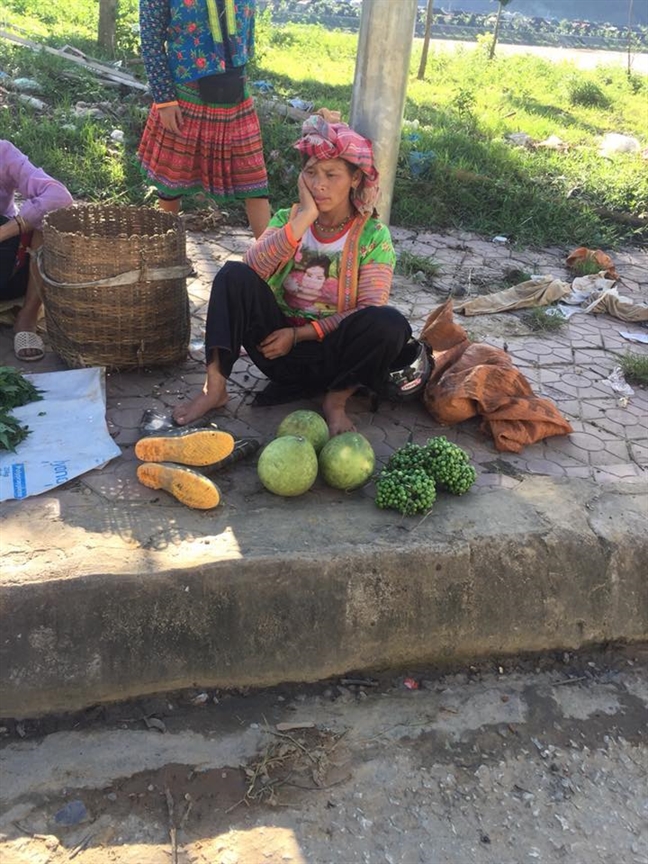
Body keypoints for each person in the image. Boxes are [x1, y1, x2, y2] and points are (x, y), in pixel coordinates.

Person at [173, 114, 412, 436]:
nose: (320, 184)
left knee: (389, 322)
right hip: (274, 347)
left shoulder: (373, 236)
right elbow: (252, 267)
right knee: (232, 276)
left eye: (332, 174)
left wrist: (299, 335)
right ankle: (214, 388)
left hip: (334, 356)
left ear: (355, 179)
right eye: (311, 173)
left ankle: (336, 400)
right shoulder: (290, 218)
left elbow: (368, 309)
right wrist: (304, 218)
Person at [137, 0, 271, 238]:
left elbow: (247, 29)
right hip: (184, 94)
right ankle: (165, 253)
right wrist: (165, 100)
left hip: (234, 93)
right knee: (171, 185)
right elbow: (150, 40)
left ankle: (272, 263)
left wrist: (240, 68)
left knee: (255, 183)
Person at [0, 140, 73, 361]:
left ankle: (26, 320)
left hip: (7, 266)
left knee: (44, 223)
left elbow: (59, 198)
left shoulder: (3, 153)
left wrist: (4, 232)